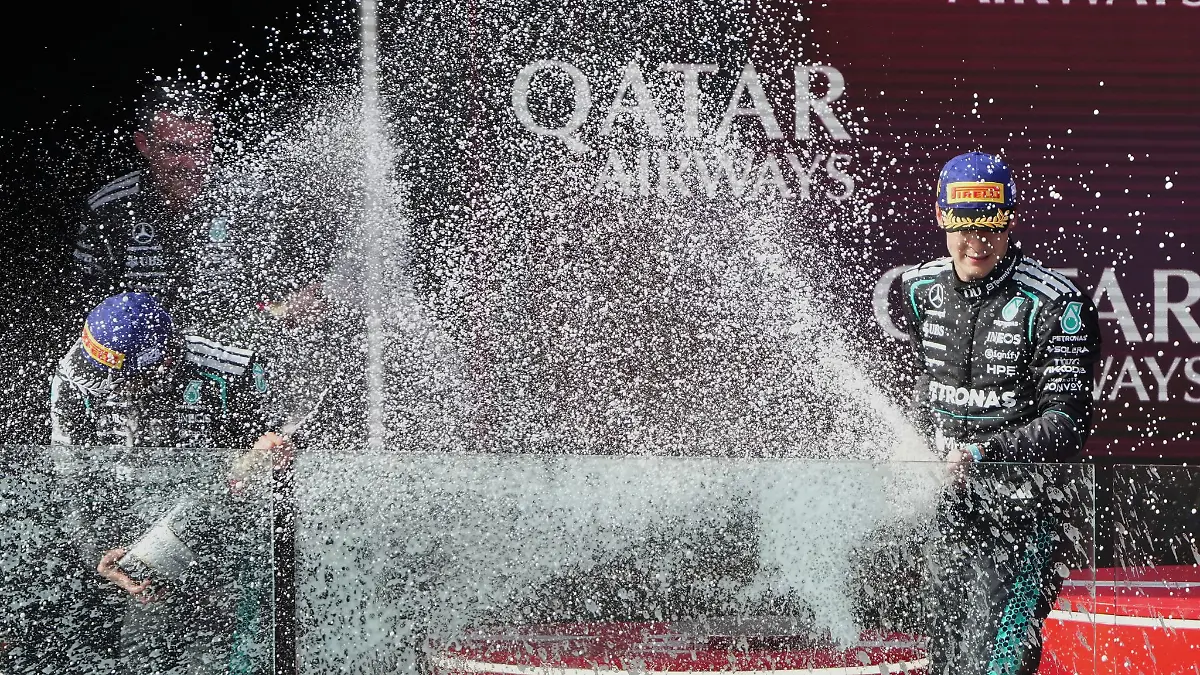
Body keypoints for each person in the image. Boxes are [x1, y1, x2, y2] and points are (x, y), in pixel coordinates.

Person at [899, 152, 1101, 674]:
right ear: (942, 218)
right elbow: (928, 383)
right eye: (965, 227)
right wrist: (922, 442)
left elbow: (1068, 422)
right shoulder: (921, 289)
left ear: (1010, 222)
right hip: (949, 516)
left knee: (995, 665)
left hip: (1027, 518)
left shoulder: (1055, 304)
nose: (978, 242)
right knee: (946, 664)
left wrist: (984, 452)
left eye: (991, 227)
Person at [49, 292, 287, 673]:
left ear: (162, 362)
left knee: (212, 656)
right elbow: (72, 480)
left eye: (118, 381)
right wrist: (99, 551)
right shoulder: (76, 375)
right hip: (120, 540)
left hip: (214, 538)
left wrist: (266, 454)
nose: (106, 389)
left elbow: (276, 450)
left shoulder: (233, 370)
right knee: (127, 653)